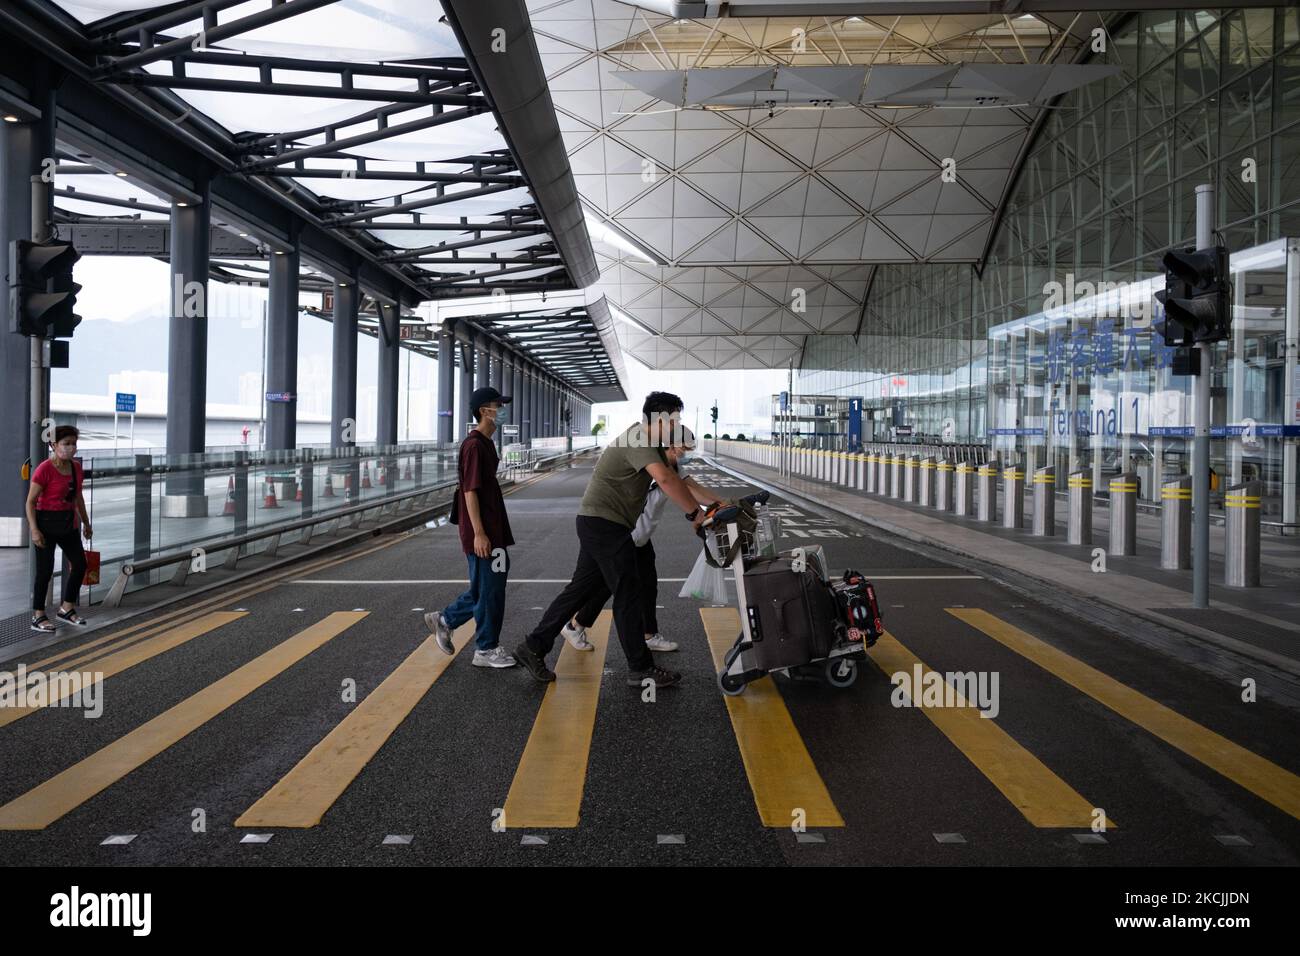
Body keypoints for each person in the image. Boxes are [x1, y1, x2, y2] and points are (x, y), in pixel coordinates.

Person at [514, 393, 728, 687]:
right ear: (660, 419)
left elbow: (678, 481)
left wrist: (720, 505)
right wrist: (694, 515)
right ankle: (640, 668)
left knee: (579, 591)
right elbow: (665, 481)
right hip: (605, 524)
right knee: (628, 592)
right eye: (675, 419)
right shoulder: (639, 438)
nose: (678, 424)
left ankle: (533, 646)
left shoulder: (650, 444)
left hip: (601, 523)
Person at [561, 428, 698, 654]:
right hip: (624, 534)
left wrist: (721, 504)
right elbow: (679, 489)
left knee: (644, 584)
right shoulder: (656, 468)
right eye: (683, 449)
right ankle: (572, 628)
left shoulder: (673, 467)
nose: (685, 455)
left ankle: (645, 634)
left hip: (639, 537)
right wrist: (698, 514)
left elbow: (693, 489)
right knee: (605, 586)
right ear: (671, 446)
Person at [425, 387, 517, 668]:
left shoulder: (486, 443)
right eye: (497, 405)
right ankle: (485, 649)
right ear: (483, 411)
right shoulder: (475, 445)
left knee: (489, 586)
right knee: (490, 589)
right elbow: (469, 491)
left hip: (493, 529)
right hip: (483, 532)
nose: (501, 409)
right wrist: (479, 533)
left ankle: (445, 619)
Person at [26, 425, 92, 632]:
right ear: (54, 445)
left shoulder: (75, 468)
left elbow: (78, 497)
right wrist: (34, 530)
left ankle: (67, 608)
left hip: (67, 523)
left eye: (74, 443)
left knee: (80, 564)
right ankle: (38, 615)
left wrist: (86, 523)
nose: (71, 448)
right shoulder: (44, 469)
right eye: (66, 444)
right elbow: (30, 502)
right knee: (45, 571)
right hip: (45, 524)